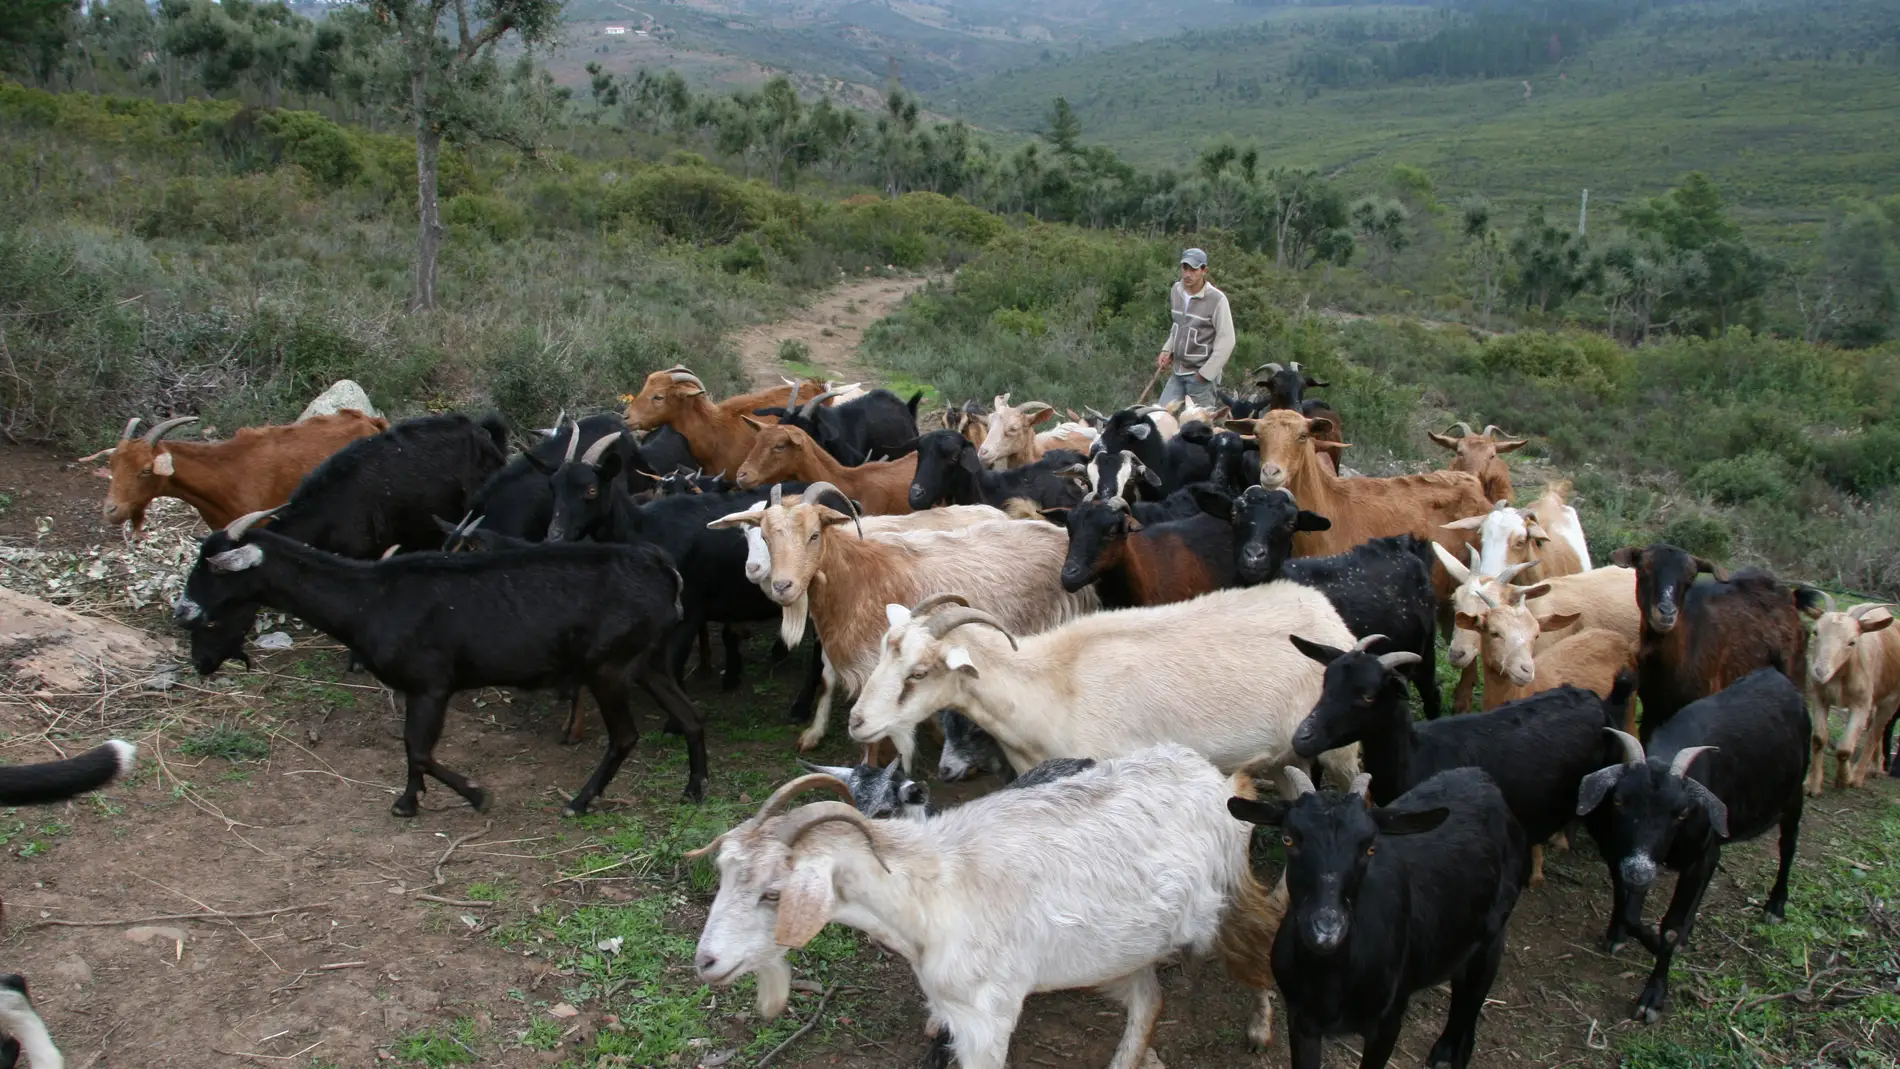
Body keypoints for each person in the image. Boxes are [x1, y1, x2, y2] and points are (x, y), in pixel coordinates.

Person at [1155, 247, 1235, 409]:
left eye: (1193, 269)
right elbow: (1178, 325)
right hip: (1178, 371)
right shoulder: (1176, 290)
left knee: (1199, 428)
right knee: (1162, 416)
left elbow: (1227, 340)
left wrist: (1205, 374)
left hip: (1201, 377)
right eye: (1185, 268)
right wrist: (1167, 350)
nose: (1187, 274)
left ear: (1204, 270)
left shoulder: (1217, 299)